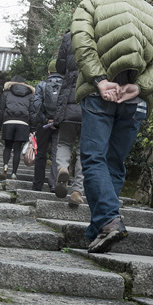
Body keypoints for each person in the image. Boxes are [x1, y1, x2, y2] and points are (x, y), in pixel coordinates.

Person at [71, 0, 153, 251]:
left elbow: (82, 43)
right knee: (114, 163)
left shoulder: (91, 2)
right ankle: (99, 229)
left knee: (94, 159)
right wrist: (138, 87)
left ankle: (109, 221)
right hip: (133, 100)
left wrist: (100, 79)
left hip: (99, 94)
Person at [54, 31, 85, 207]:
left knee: (64, 142)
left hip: (68, 100)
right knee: (84, 148)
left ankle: (63, 168)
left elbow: (60, 67)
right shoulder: (103, 31)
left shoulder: (70, 36)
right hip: (91, 100)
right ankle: (77, 191)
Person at [0, 75, 36, 179]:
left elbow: (0, 111)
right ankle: (14, 173)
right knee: (17, 149)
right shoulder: (30, 95)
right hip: (23, 123)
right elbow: (32, 113)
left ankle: (5, 165)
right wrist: (33, 128)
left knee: (8, 147)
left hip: (8, 121)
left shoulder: (6, 93)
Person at [32, 58, 62, 191]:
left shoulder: (41, 85)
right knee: (57, 155)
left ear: (49, 72)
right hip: (60, 125)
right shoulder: (67, 85)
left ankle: (38, 184)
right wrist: (57, 121)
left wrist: (45, 120)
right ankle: (54, 184)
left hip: (43, 124)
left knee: (41, 154)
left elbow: (36, 105)